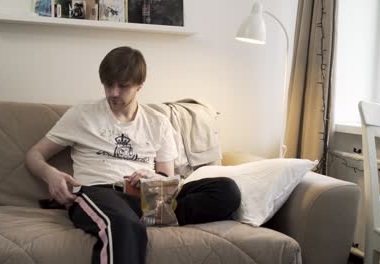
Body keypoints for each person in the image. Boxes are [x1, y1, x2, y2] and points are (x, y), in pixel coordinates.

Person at [25, 46, 241, 264]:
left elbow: (166, 177)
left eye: (123, 86)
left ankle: (151, 216)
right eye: (108, 85)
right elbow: (35, 154)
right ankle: (143, 220)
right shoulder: (82, 114)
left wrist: (151, 176)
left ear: (140, 85)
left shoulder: (158, 122)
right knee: (121, 223)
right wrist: (50, 175)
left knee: (226, 190)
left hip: (149, 198)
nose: (113, 93)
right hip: (100, 192)